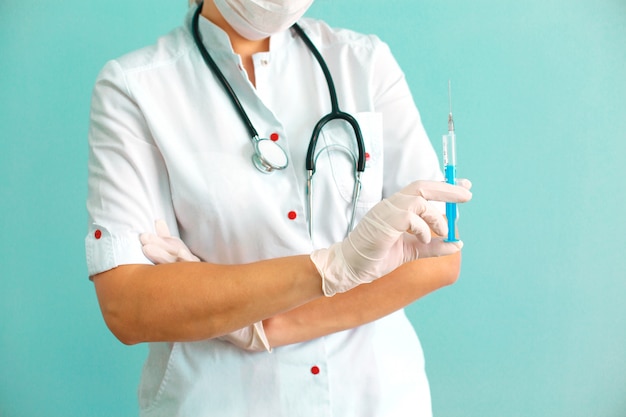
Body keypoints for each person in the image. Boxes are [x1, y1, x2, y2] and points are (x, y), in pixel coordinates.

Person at [85, 0, 472, 415]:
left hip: (376, 398)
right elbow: (129, 306)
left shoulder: (362, 61)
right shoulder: (135, 87)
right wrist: (333, 266)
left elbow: (438, 253)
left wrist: (263, 326)